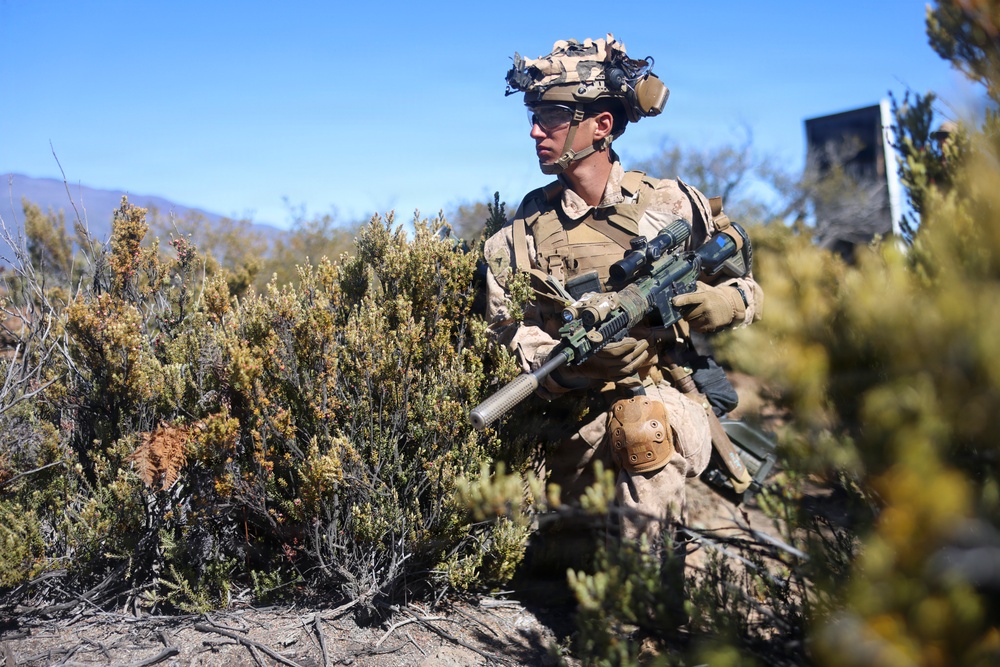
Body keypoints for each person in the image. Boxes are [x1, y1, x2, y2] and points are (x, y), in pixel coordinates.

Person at [482, 35, 763, 553]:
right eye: (533, 114)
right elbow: (502, 328)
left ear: (601, 125)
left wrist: (720, 304)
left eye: (552, 115)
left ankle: (645, 613)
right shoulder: (517, 233)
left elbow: (748, 288)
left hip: (663, 400)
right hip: (565, 414)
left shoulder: (670, 205)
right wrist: (569, 367)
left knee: (641, 426)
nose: (534, 130)